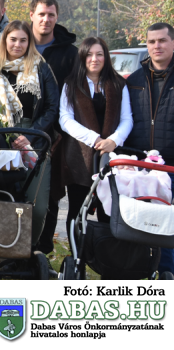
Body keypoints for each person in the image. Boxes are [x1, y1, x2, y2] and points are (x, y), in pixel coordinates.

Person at [0, 20, 59, 248]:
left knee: (38, 206)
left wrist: (30, 135)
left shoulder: (41, 67)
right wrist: (7, 135)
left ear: (29, 42)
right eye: (13, 39)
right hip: (3, 139)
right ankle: (1, 251)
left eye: (23, 40)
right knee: (3, 201)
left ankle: (26, 252)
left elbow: (52, 106)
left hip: (35, 140)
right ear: (5, 40)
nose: (17, 44)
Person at [55, 36, 132, 243]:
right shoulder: (71, 84)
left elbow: (127, 119)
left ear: (106, 57)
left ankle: (105, 255)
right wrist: (94, 139)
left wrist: (113, 141)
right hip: (79, 157)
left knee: (108, 211)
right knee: (77, 209)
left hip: (111, 157)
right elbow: (65, 119)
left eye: (99, 54)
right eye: (89, 54)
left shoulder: (118, 84)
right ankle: (77, 253)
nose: (94, 59)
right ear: (82, 57)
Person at [28, 0, 79, 254]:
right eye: (41, 14)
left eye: (51, 15)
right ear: (31, 15)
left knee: (49, 192)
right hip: (19, 129)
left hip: (54, 134)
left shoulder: (69, 53)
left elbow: (76, 94)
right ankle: (13, 247)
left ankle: (42, 250)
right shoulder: (19, 42)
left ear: (57, 17)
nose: (46, 19)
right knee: (18, 188)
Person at [124, 22, 174, 274]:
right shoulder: (134, 80)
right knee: (141, 225)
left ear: (172, 43)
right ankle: (140, 273)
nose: (157, 46)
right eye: (152, 41)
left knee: (169, 228)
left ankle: (167, 276)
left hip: (172, 167)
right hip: (140, 167)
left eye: (162, 40)